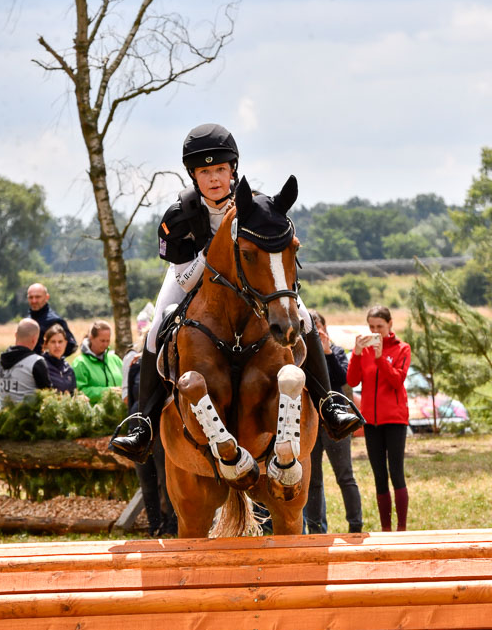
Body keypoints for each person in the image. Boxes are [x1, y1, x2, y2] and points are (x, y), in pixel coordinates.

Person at [111, 122, 360, 462]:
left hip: (250, 289)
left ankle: (328, 402)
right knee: (158, 325)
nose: (214, 178)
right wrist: (215, 251)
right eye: (205, 171)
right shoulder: (178, 216)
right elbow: (184, 278)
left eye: (220, 170)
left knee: (302, 316)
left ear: (232, 170)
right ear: (193, 175)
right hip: (192, 279)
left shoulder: (256, 207)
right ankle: (143, 422)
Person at [347, 305, 411, 532]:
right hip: (371, 422)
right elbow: (353, 381)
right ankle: (386, 530)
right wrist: (355, 352)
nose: (375, 331)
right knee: (379, 476)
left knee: (396, 473)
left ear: (390, 324)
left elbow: (397, 380)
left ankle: (401, 529)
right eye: (371, 327)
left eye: (380, 327)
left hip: (394, 420)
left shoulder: (402, 348)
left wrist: (380, 356)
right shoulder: (363, 352)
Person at [304, 311, 363, 534]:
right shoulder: (303, 355)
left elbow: (342, 379)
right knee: (313, 480)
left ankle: (355, 525)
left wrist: (327, 352)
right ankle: (315, 528)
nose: (316, 335)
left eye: (319, 329)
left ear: (326, 329)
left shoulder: (336, 351)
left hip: (335, 423)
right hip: (311, 423)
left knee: (345, 476)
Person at [0, 318, 51, 406]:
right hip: (27, 417)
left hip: (2, 417)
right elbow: (48, 396)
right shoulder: (36, 362)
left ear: (16, 335)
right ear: (34, 340)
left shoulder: (0, 362)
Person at [72, 320, 122, 404]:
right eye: (102, 341)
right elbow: (80, 392)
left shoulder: (115, 359)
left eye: (108, 341)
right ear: (91, 338)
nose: (105, 344)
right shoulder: (80, 363)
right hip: (94, 414)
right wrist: (107, 392)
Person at [27, 282, 77, 356]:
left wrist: (52, 361)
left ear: (47, 297)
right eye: (31, 297)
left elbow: (71, 345)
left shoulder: (55, 321)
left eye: (38, 297)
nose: (34, 301)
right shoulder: (26, 321)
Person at [42, 324, 76, 394]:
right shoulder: (42, 366)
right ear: (46, 344)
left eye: (60, 342)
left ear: (65, 343)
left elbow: (73, 394)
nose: (57, 346)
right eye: (53, 342)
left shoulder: (69, 369)